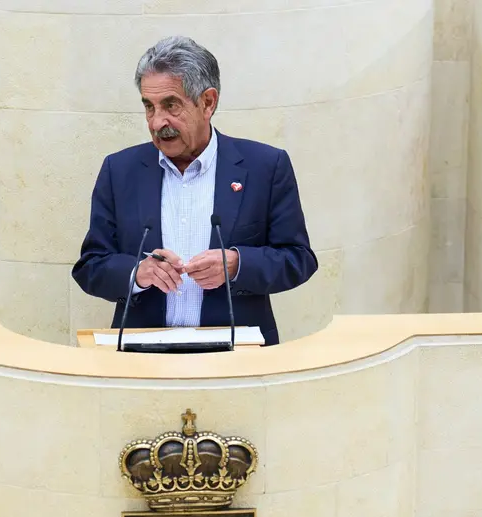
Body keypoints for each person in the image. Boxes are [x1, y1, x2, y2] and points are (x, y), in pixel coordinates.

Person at [71, 36, 318, 346]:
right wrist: (138, 273)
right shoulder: (120, 171)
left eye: (171, 105)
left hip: (235, 352)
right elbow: (90, 266)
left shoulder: (265, 167)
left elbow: (298, 259)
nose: (158, 121)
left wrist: (238, 264)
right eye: (149, 107)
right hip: (143, 353)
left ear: (208, 102)